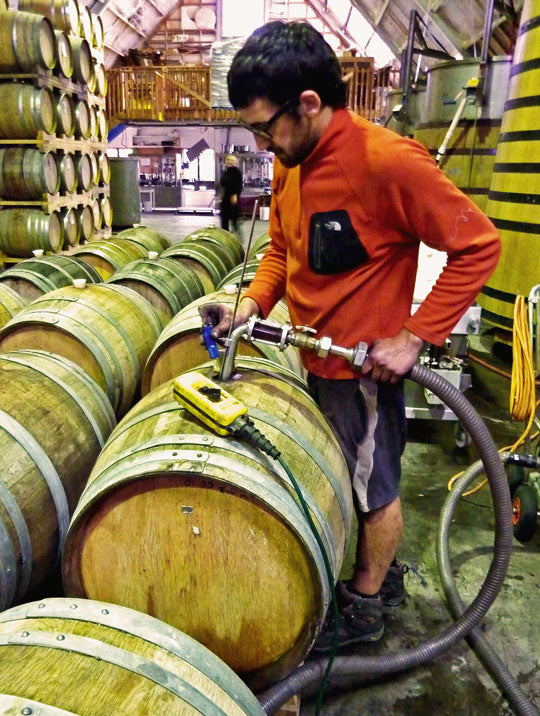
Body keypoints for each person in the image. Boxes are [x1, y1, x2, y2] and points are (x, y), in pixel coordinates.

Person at [200, 20, 501, 650]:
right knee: (350, 482)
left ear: (309, 104)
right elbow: (284, 251)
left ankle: (365, 606)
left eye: (264, 127)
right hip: (313, 361)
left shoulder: (386, 162)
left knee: (375, 490)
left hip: (364, 374)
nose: (260, 143)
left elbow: (478, 246)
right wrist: (251, 304)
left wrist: (416, 336)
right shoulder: (292, 159)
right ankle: (375, 574)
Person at [219, 154, 243, 235]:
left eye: (233, 161)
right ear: (227, 162)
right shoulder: (226, 171)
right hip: (226, 197)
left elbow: (239, 186)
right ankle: (225, 235)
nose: (231, 162)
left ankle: (237, 239)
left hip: (233, 198)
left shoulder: (237, 172)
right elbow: (222, 183)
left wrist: (236, 195)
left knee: (234, 221)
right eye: (229, 161)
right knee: (224, 220)